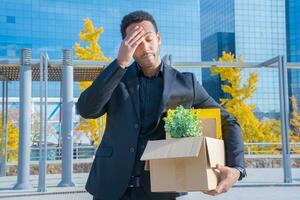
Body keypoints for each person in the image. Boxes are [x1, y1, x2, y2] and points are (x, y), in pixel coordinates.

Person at [76, 10, 246, 200]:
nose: (145, 46)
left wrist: (237, 169)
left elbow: (228, 121)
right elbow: (86, 109)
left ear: (158, 38)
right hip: (110, 189)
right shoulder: (115, 78)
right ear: (126, 46)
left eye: (148, 39)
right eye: (136, 42)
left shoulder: (186, 84)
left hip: (161, 190)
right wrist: (120, 63)